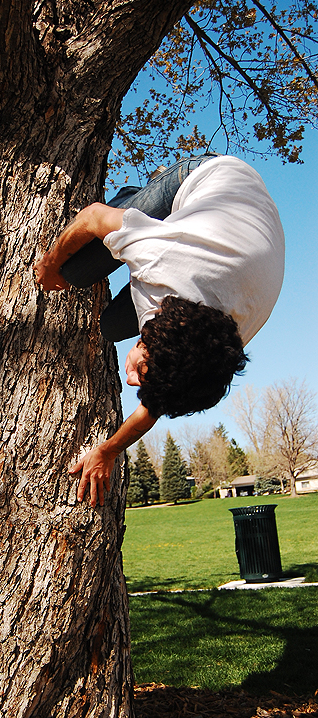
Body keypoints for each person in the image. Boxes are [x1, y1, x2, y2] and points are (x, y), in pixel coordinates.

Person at [33, 154, 285, 507]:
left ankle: (133, 221)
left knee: (109, 326)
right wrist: (48, 264)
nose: (132, 381)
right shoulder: (162, 259)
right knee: (75, 270)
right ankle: (138, 194)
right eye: (143, 373)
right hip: (207, 180)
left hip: (241, 240)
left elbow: (160, 399)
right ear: (154, 337)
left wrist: (108, 450)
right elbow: (91, 216)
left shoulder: (217, 347)